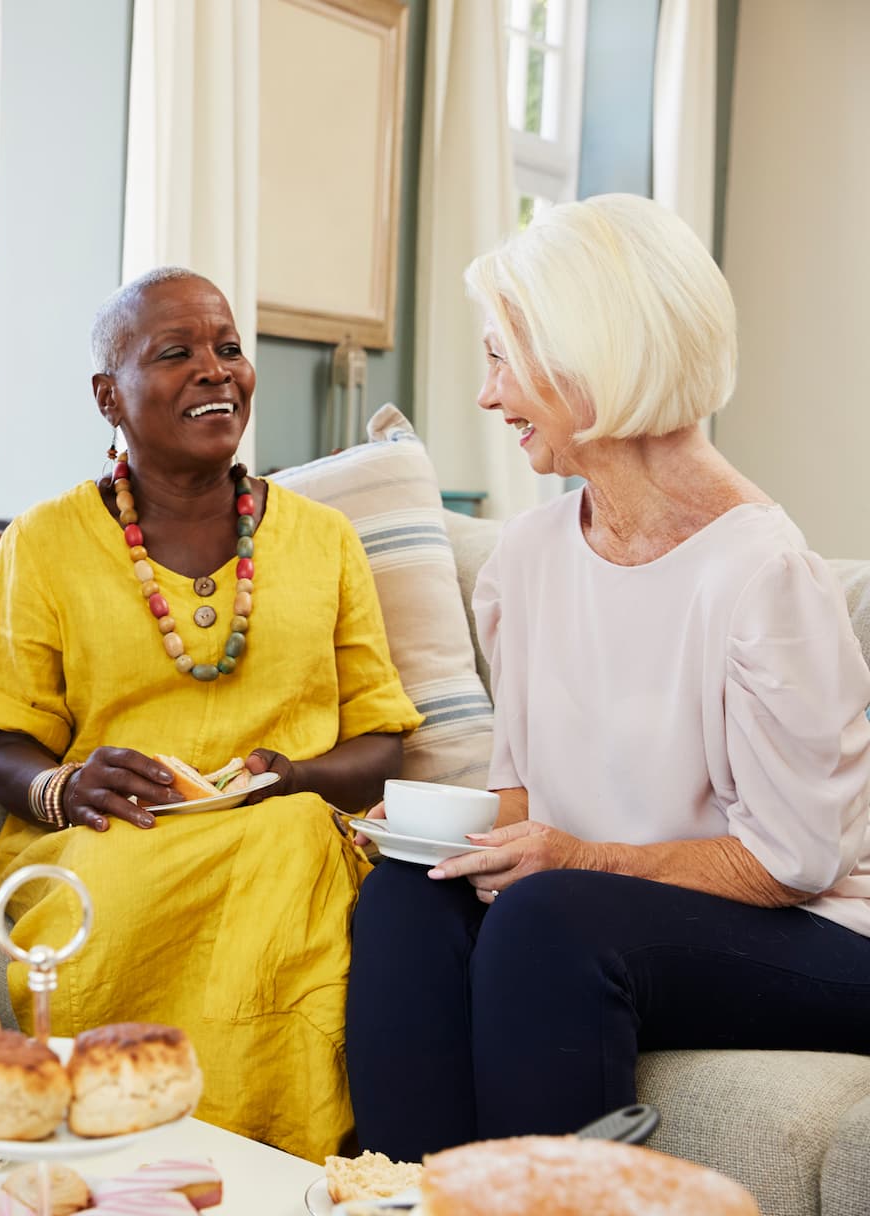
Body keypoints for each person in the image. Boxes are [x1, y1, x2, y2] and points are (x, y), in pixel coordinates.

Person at [346, 194, 870, 1160]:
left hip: (818, 934)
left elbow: (793, 863)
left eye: (502, 355)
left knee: (551, 920)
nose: (488, 394)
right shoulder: (531, 558)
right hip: (596, 907)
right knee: (408, 897)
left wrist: (579, 859)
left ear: (589, 357)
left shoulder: (762, 574)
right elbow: (524, 795)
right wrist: (436, 836)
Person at [0, 267, 423, 1159]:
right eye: (177, 354)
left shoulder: (324, 540)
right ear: (109, 396)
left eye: (228, 349)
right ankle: (120, 1160)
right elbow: (7, 746)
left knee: (287, 847)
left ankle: (266, 1167)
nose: (217, 370)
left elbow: (383, 740)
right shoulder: (44, 542)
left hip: (287, 829)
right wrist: (66, 786)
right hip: (117, 834)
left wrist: (293, 777)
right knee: (110, 890)